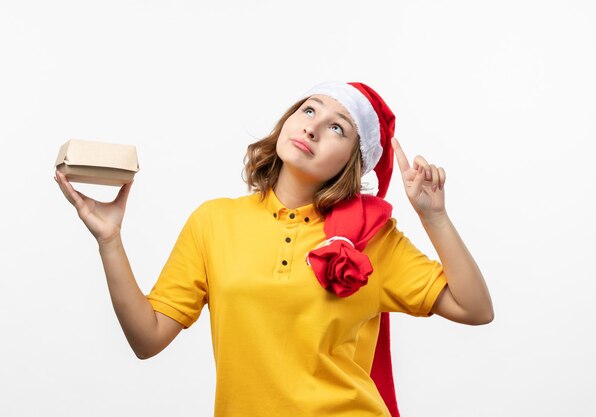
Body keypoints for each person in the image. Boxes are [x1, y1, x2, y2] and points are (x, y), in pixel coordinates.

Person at [54, 81, 494, 417]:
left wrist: (433, 217)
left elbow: (474, 308)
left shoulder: (372, 238)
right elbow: (147, 338)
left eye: (337, 127)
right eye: (309, 109)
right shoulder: (214, 221)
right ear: (288, 119)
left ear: (352, 161)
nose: (313, 127)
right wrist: (109, 240)